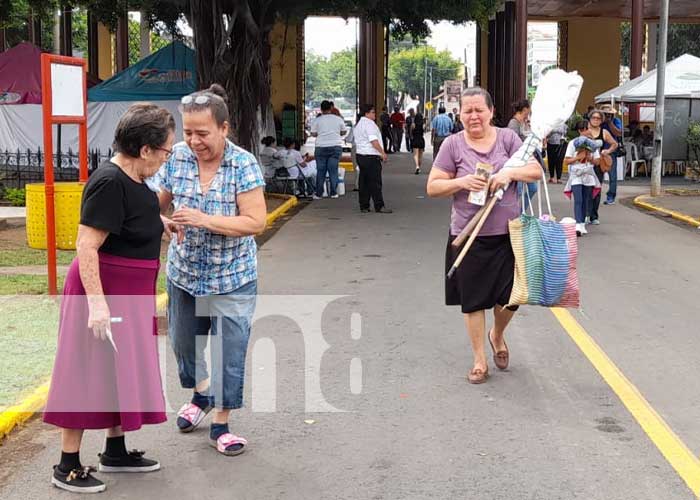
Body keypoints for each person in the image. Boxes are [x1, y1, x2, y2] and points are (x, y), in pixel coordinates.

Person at [43, 103, 179, 493]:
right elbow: (86, 247)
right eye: (166, 150)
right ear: (145, 149)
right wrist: (98, 304)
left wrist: (161, 223)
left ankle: (115, 450)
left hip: (130, 294)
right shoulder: (109, 181)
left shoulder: (134, 179)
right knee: (86, 372)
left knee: (121, 372)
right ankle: (66, 465)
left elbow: (132, 217)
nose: (167, 157)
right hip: (103, 292)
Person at [152, 84, 266, 457]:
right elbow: (156, 200)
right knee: (184, 343)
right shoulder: (177, 157)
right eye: (188, 132)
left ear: (224, 129)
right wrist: (162, 220)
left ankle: (221, 422)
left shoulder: (243, 164)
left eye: (203, 133)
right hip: (184, 272)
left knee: (228, 350)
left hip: (231, 276)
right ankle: (201, 393)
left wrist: (204, 219)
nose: (194, 141)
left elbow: (255, 222)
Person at [426, 87, 542, 384]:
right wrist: (462, 181)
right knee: (474, 301)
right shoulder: (452, 145)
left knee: (512, 299)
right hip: (469, 236)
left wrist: (509, 174)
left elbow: (535, 171)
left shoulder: (508, 138)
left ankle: (497, 334)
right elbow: (433, 187)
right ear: (460, 114)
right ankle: (479, 359)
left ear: (491, 112)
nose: (474, 116)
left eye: (480, 110)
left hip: (508, 235)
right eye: (468, 110)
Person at [563, 123, 602, 236]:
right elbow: (566, 161)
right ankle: (578, 224)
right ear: (580, 131)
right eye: (584, 129)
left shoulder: (593, 145)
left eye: (588, 129)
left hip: (588, 174)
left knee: (586, 199)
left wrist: (590, 158)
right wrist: (577, 157)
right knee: (578, 199)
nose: (587, 131)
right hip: (576, 174)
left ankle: (583, 223)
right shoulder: (573, 143)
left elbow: (598, 161)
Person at [353, 103, 392, 213]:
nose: (375, 114)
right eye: (373, 112)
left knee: (364, 181)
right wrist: (382, 153)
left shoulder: (358, 125)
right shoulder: (369, 124)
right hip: (371, 155)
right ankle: (379, 205)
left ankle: (364, 205)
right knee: (375, 182)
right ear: (367, 113)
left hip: (360, 155)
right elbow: (373, 141)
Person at [586, 108, 618, 224]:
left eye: (598, 118)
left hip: (598, 163)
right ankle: (585, 214)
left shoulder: (604, 132)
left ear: (601, 120)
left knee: (596, 189)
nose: (596, 120)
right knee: (585, 190)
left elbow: (615, 144)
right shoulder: (585, 130)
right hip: (584, 163)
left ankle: (594, 216)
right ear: (589, 119)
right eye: (593, 118)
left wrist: (607, 151)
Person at [310, 100, 347, 199]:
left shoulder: (317, 120)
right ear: (331, 108)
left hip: (321, 147)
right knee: (333, 170)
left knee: (321, 171)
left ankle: (319, 193)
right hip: (335, 146)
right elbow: (344, 131)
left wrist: (320, 134)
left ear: (321, 109)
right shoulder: (338, 119)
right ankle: (334, 193)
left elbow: (312, 133)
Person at [507, 100, 539, 207]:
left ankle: (520, 213)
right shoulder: (513, 123)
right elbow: (512, 142)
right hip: (517, 161)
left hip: (526, 160)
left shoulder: (524, 123)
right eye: (529, 109)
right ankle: (514, 215)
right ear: (525, 109)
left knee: (533, 188)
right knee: (518, 191)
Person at [600, 104, 623, 204]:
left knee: (612, 176)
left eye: (609, 114)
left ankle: (611, 196)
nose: (607, 116)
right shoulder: (599, 122)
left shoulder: (616, 121)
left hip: (611, 151)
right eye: (605, 114)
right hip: (599, 151)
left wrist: (610, 123)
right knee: (597, 175)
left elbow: (618, 133)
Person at [412, 110, 426, 174]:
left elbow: (411, 132)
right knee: (420, 155)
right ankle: (419, 167)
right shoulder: (423, 125)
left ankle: (417, 166)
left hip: (415, 139)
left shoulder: (413, 125)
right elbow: (425, 130)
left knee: (415, 154)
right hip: (421, 139)